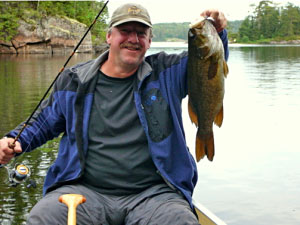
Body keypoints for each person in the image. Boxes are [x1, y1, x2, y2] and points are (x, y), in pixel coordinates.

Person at [0, 3, 228, 225]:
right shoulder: (74, 80)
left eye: (141, 32)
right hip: (84, 190)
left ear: (150, 41)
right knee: (45, 216)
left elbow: (208, 65)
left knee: (179, 220)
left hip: (155, 195)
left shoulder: (167, 72)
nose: (133, 39)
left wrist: (218, 32)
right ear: (109, 36)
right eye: (125, 31)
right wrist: (14, 141)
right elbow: (43, 123)